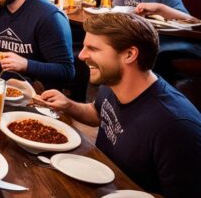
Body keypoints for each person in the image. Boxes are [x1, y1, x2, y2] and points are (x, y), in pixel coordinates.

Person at [40, 13, 201, 197]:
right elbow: (98, 113)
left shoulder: (176, 126)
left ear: (130, 54)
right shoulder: (113, 83)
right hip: (102, 182)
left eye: (92, 48)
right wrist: (68, 105)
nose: (82, 55)